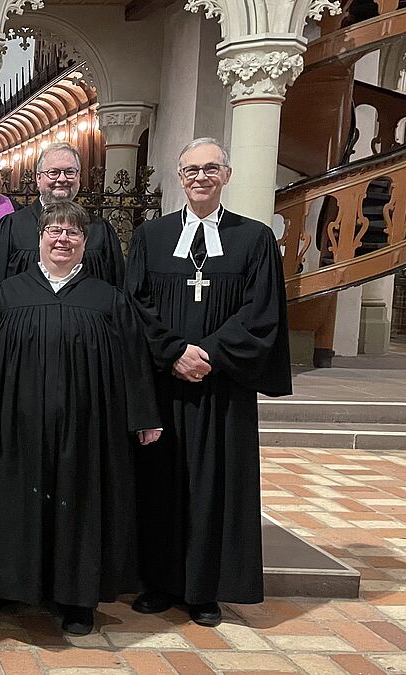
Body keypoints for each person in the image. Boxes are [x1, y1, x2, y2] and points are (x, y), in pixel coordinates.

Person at [125, 138, 291, 627]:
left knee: (215, 486)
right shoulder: (151, 236)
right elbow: (136, 305)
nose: (201, 177)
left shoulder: (254, 239)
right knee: (160, 482)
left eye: (211, 168)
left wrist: (210, 356)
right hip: (164, 383)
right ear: (179, 177)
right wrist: (174, 352)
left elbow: (262, 312)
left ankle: (204, 589)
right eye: (192, 169)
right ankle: (157, 582)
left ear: (227, 175)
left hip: (222, 389)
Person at [0, 201, 161, 636]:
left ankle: (76, 598)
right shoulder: (4, 296)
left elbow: (134, 364)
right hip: (15, 430)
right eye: (54, 232)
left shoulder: (108, 301)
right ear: (38, 239)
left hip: (85, 431)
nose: (62, 240)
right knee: (11, 502)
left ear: (87, 243)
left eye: (73, 234)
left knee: (79, 506)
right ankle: (7, 585)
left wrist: (143, 417)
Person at [0, 142, 124, 286]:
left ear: (79, 177)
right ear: (38, 178)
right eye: (53, 172)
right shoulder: (11, 227)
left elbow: (116, 285)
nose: (62, 179)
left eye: (70, 172)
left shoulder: (99, 229)